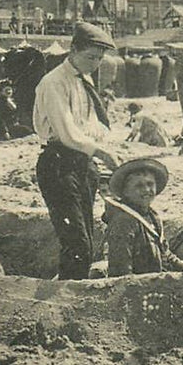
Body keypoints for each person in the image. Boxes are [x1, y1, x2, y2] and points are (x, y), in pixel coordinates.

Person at [33, 21, 120, 280]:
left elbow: (94, 125)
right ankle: (67, 297)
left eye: (99, 59)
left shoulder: (85, 81)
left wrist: (100, 147)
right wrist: (102, 153)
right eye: (90, 57)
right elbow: (67, 132)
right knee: (76, 243)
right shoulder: (54, 83)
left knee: (87, 241)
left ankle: (72, 286)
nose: (95, 64)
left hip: (84, 164)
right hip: (59, 164)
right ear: (73, 50)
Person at [102, 158, 183, 276]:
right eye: (139, 186)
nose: (146, 190)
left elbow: (166, 255)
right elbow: (120, 272)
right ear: (125, 192)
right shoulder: (124, 222)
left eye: (150, 184)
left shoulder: (151, 216)